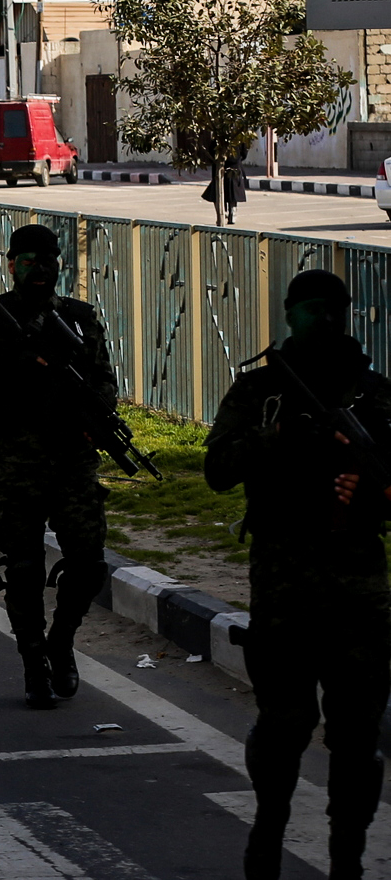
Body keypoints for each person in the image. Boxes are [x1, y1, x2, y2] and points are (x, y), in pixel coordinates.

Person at [208, 269, 391, 880]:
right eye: (311, 309)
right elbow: (218, 469)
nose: (323, 320)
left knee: (358, 735)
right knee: (284, 727)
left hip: (358, 584)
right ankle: (268, 834)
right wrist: (276, 436)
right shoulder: (262, 392)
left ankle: (349, 858)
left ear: (348, 314)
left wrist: (368, 493)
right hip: (284, 580)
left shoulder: (377, 396)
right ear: (289, 314)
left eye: (333, 309)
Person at [0, 221, 115, 710]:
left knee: (88, 563)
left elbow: (105, 383)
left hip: (72, 461)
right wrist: (11, 359)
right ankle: (33, 662)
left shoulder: (81, 320)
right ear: (10, 264)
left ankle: (61, 640)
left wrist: (96, 416)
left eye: (48, 260)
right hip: (16, 463)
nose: (39, 270)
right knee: (23, 568)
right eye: (28, 260)